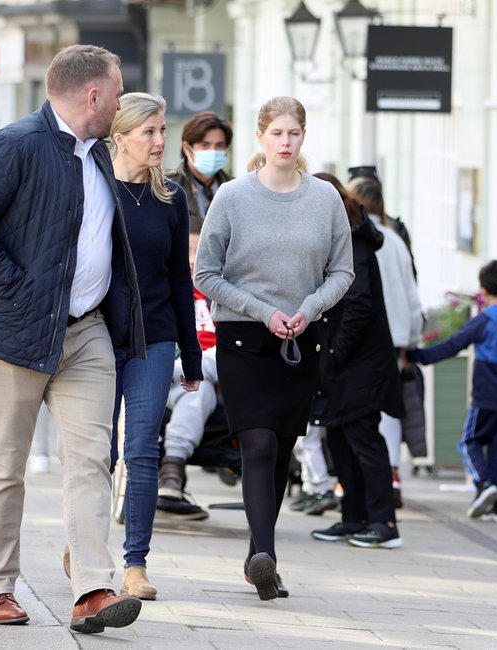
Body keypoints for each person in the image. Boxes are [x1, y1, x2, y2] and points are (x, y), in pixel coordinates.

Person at [0, 44, 145, 634]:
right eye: (119, 87)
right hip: (14, 333)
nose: (122, 97)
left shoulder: (100, 152)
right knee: (5, 464)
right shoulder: (16, 144)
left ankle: (92, 590)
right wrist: (19, 287)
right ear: (93, 95)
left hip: (86, 333)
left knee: (89, 462)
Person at [193, 96, 354, 600]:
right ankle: (267, 557)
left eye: (294, 134)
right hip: (244, 340)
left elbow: (343, 271)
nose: (286, 142)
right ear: (260, 138)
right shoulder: (233, 198)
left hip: (302, 342)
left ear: (303, 137)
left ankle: (255, 554)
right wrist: (263, 310)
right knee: (258, 444)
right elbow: (206, 273)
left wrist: (310, 307)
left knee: (282, 451)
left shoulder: (325, 200)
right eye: (277, 133)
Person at [108, 93, 202, 601]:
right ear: (119, 135)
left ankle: (135, 564)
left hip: (156, 338)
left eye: (163, 131)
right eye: (149, 132)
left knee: (142, 449)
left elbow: (179, 281)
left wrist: (192, 355)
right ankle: (82, 543)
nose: (160, 141)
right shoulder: (95, 186)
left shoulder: (172, 198)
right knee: (94, 453)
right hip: (96, 336)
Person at [308, 172, 405, 550]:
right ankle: (353, 517)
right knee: (340, 440)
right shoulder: (339, 241)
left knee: (363, 440)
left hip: (358, 364)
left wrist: (333, 354)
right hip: (341, 362)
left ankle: (383, 521)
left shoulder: (355, 245)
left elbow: (358, 306)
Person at [406, 260, 497, 522]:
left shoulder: (483, 321)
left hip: (486, 396)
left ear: (482, 291)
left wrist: (417, 355)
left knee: (469, 442)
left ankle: (484, 485)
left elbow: (453, 345)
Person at [347, 175, 423, 508]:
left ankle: (356, 484)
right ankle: (392, 471)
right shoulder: (394, 240)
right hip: (395, 337)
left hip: (361, 337)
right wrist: (412, 340)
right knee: (389, 410)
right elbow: (411, 292)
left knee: (358, 412)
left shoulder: (356, 238)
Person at [157, 229, 218, 521]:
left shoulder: (222, 292)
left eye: (200, 252)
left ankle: (172, 472)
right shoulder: (167, 292)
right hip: (173, 383)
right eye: (187, 251)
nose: (193, 260)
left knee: (202, 378)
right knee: (196, 388)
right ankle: (172, 468)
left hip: (222, 380)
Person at [166, 111, 234, 233]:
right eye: (205, 145)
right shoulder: (166, 187)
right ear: (187, 148)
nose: (213, 151)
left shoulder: (235, 188)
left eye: (219, 145)